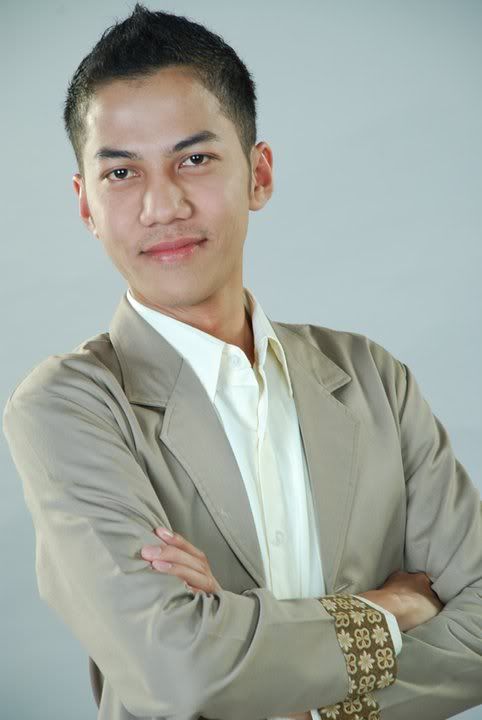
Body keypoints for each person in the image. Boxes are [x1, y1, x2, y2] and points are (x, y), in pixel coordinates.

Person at [2, 4, 481, 720]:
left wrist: (269, 665)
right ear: (86, 206)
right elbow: (180, 668)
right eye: (122, 172)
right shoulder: (67, 407)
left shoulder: (373, 379)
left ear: (258, 174)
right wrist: (391, 608)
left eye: (194, 159)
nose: (162, 205)